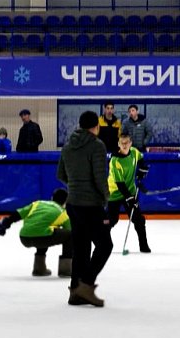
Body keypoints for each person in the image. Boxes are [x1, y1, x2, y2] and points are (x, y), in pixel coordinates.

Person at [58, 110, 112, 307]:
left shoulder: (68, 146)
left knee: (81, 248)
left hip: (73, 204)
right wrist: (106, 197)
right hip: (92, 205)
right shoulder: (96, 145)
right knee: (105, 245)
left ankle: (74, 291)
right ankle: (86, 285)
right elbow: (99, 177)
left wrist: (75, 186)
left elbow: (61, 174)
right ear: (95, 126)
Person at [0, 188, 73, 277]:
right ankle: (66, 269)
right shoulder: (63, 213)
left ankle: (39, 269)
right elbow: (71, 231)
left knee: (46, 229)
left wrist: (6, 223)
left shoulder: (37, 204)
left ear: (52, 198)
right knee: (69, 236)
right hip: (43, 238)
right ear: (65, 202)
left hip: (24, 237)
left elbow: (18, 214)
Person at [107, 134, 151, 253]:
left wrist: (142, 169)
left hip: (130, 189)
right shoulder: (115, 161)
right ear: (118, 144)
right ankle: (104, 244)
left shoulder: (134, 152)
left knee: (139, 220)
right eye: (122, 143)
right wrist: (129, 197)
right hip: (114, 193)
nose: (125, 145)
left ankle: (144, 246)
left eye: (127, 142)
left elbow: (141, 160)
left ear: (131, 143)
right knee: (111, 220)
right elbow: (120, 183)